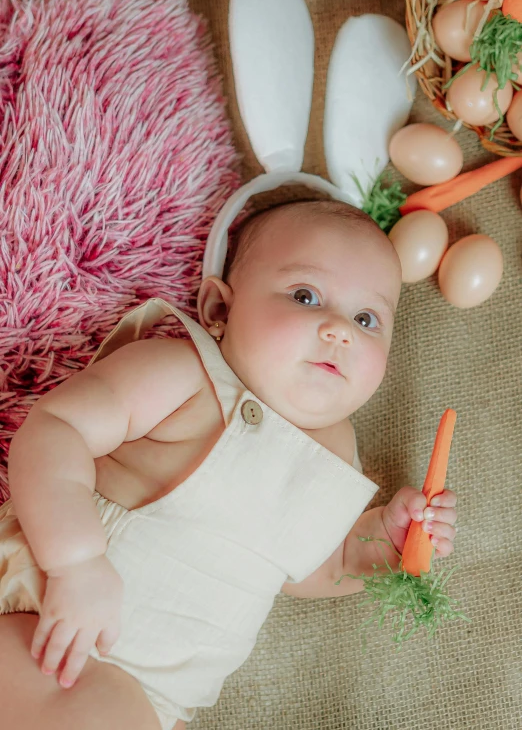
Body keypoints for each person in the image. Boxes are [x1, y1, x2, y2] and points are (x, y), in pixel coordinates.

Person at [0, 199, 458, 730]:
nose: (341, 330)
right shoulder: (186, 375)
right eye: (306, 296)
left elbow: (314, 569)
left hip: (159, 702)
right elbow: (56, 428)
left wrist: (381, 540)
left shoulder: (337, 454)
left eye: (366, 318)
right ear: (219, 310)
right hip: (47, 618)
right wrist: (75, 562)